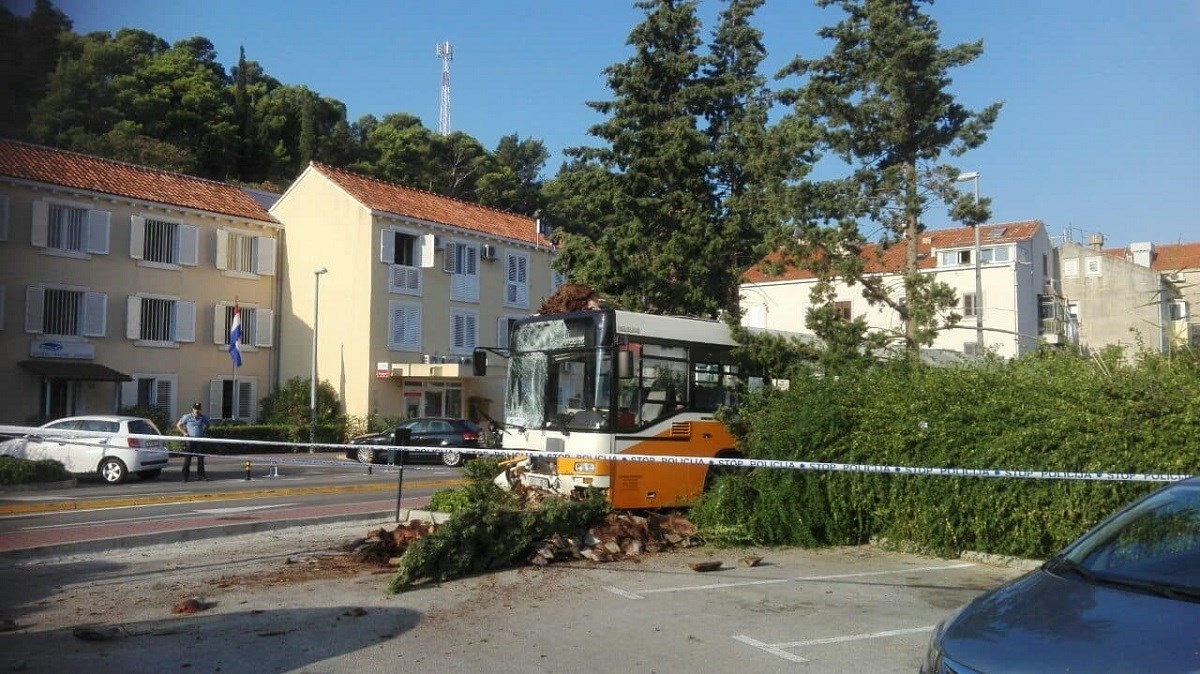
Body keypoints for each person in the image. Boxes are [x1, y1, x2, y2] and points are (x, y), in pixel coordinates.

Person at [175, 403, 210, 482]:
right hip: (190, 441)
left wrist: (204, 431)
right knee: (187, 460)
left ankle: (201, 476)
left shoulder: (203, 417)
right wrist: (184, 433)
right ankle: (185, 477)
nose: (196, 410)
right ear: (192, 409)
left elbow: (208, 424)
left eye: (198, 409)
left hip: (200, 441)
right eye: (195, 408)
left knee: (201, 459)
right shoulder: (187, 417)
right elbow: (178, 425)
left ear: (200, 409)